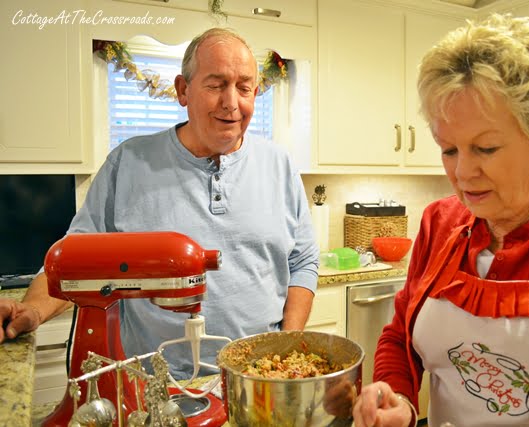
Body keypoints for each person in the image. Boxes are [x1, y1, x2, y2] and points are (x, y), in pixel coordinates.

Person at [352, 13, 529, 427]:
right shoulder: (440, 222)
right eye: (448, 149)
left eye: (485, 148)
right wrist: (396, 396)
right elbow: (401, 337)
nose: (463, 173)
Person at [0, 27, 320, 379]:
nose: (231, 102)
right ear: (183, 90)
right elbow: (74, 263)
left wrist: (288, 344)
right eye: (216, 85)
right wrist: (31, 310)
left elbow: (302, 260)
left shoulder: (280, 165)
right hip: (155, 383)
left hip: (258, 376)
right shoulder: (129, 162)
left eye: (244, 88)